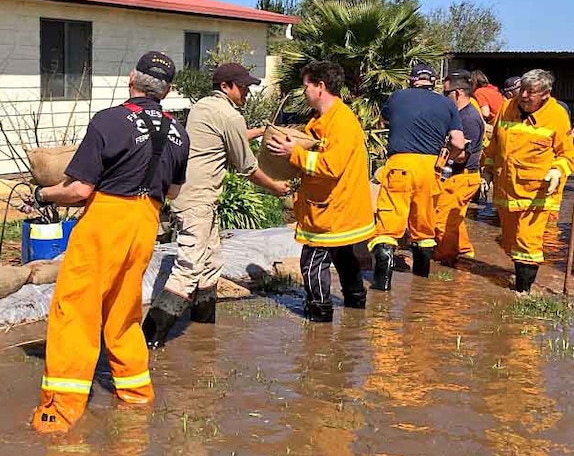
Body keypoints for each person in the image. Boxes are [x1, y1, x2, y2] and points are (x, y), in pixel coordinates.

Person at [29, 51, 190, 434]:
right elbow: (175, 190)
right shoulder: (178, 132)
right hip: (145, 224)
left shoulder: (110, 120)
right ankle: (136, 395)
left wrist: (44, 195)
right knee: (123, 312)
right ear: (165, 92)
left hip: (107, 220)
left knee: (75, 312)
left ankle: (58, 414)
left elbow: (81, 188)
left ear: (131, 79)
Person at [141, 63, 288, 347]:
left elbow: (222, 138)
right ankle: (149, 338)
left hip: (189, 194)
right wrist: (276, 187)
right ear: (225, 87)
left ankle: (203, 328)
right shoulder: (229, 115)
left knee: (211, 263)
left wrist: (256, 131)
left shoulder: (204, 107)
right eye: (242, 86)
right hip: (198, 199)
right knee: (189, 266)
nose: (247, 91)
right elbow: (246, 166)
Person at [265, 61, 374, 322]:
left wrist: (296, 154)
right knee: (345, 259)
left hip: (333, 211)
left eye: (306, 86)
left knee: (312, 262)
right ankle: (354, 317)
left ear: (320, 86)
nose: (304, 92)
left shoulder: (343, 122)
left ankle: (320, 317)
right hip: (332, 208)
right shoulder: (321, 121)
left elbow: (331, 166)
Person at [368, 63, 466, 290]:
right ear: (434, 82)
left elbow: (383, 121)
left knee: (388, 227)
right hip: (431, 168)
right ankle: (421, 287)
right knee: (424, 228)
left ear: (412, 80)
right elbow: (458, 143)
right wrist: (447, 156)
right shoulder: (447, 104)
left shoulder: (397, 97)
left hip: (399, 164)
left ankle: (381, 287)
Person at [483, 69, 574, 293]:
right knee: (510, 242)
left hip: (537, 193)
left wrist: (556, 171)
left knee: (527, 243)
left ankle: (522, 293)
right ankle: (519, 273)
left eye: (530, 92)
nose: (523, 95)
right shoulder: (507, 107)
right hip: (506, 191)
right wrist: (487, 171)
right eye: (522, 90)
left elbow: (567, 155)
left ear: (545, 94)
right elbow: (494, 144)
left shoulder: (557, 115)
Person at [433, 74, 485, 265]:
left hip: (462, 177)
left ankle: (444, 259)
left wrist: (443, 154)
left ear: (457, 93)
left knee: (443, 219)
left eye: (445, 93)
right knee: (454, 217)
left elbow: (463, 155)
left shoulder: (469, 118)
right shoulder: (458, 114)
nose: (443, 96)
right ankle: (464, 250)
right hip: (456, 176)